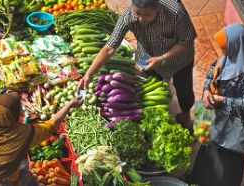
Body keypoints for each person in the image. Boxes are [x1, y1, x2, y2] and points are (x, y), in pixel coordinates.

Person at [77, 0, 197, 130]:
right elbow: (109, 48)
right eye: (137, 13)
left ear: (158, 8)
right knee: (152, 85)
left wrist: (161, 58)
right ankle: (162, 112)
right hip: (148, 57)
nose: (140, 19)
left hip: (179, 60)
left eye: (146, 15)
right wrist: (89, 74)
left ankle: (186, 118)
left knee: (184, 90)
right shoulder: (128, 16)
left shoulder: (175, 11)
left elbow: (187, 41)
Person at [187, 23, 244, 186]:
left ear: (238, 46)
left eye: (226, 49)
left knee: (226, 167)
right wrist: (207, 91)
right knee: (207, 154)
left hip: (233, 128)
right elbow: (211, 74)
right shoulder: (228, 57)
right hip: (213, 118)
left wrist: (221, 100)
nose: (223, 54)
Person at [0, 92, 83, 185]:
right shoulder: (24, 134)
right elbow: (51, 125)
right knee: (27, 177)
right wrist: (70, 105)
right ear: (15, 115)